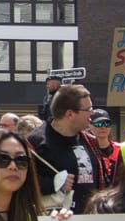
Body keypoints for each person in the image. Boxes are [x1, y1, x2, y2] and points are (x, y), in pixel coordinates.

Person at [28, 84, 99, 213]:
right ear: (70, 114)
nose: (92, 113)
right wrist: (54, 183)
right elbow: (23, 181)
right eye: (89, 109)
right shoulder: (37, 142)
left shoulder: (89, 140)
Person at [90, 110, 122, 192]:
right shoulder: (87, 151)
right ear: (90, 126)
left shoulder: (120, 149)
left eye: (107, 123)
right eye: (98, 124)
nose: (103, 127)